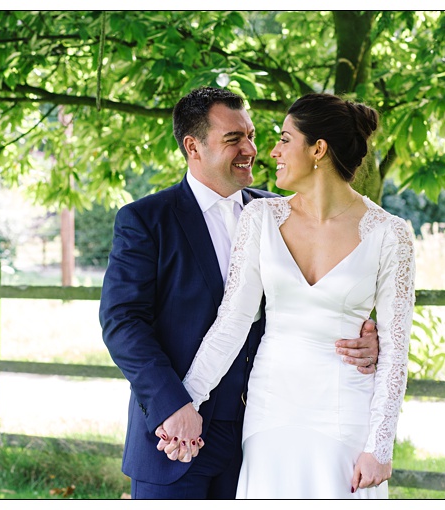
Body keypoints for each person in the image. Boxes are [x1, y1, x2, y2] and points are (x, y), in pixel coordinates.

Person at [99, 87, 380, 499]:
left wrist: (366, 339)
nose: (251, 148)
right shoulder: (146, 220)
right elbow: (122, 324)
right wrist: (174, 406)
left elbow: (307, 302)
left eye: (250, 134)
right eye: (234, 139)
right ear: (193, 147)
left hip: (260, 435)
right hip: (177, 437)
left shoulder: (278, 215)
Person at [178, 93, 413, 498]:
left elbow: (394, 350)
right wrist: (184, 402)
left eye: (285, 139)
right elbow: (232, 323)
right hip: (271, 411)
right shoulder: (260, 219)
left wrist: (380, 444)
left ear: (318, 149)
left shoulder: (390, 234)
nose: (272, 151)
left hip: (345, 415)